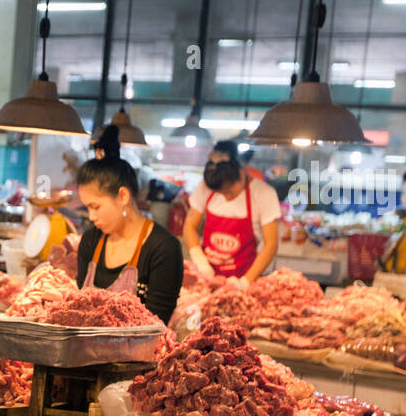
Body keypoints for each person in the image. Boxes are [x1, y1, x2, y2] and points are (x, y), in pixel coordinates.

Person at [75, 126, 183, 324]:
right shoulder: (91, 241)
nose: (91, 216)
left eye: (96, 206)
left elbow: (156, 328)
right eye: (87, 208)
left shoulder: (163, 248)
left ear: (122, 196)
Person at [182, 139, 282, 282]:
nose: (225, 196)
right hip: (207, 277)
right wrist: (201, 262)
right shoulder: (206, 187)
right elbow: (189, 226)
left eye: (228, 191)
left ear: (241, 175)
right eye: (220, 192)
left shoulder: (263, 194)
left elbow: (271, 244)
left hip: (244, 275)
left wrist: (245, 282)